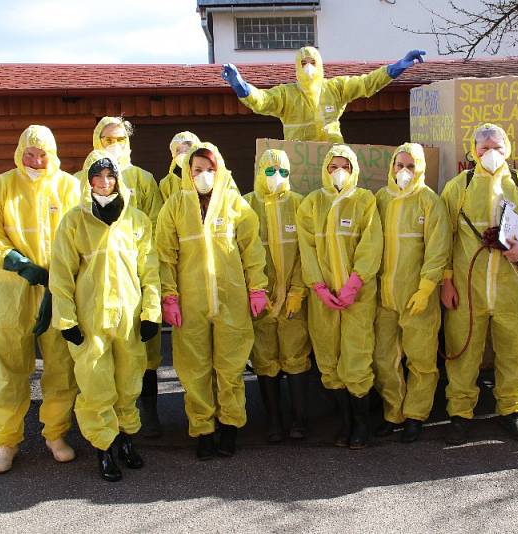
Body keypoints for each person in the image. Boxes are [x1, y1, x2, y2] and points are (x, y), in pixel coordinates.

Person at [49, 150, 160, 482]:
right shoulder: (74, 221)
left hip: (129, 317)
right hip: (91, 318)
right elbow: (61, 275)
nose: (104, 182)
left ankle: (126, 441)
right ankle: (104, 449)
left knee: (128, 383)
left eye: (110, 176)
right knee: (96, 386)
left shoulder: (136, 219)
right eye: (97, 176)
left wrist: (151, 312)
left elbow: (150, 271)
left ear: (118, 179)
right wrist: (67, 320)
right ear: (88, 180)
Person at [440, 123, 518, 444]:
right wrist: (446, 282)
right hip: (467, 290)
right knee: (462, 353)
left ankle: (511, 412)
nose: (490, 153)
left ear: (508, 149)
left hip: (513, 288)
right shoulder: (458, 186)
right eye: (484, 147)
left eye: (497, 147)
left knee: (513, 353)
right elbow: (442, 237)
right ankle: (460, 413)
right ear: (473, 150)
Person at [0, 125, 80, 474]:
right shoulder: (0, 187)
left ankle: (55, 434)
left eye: (42, 154)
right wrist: (19, 264)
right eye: (29, 154)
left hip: (58, 288)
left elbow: (80, 233)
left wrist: (60, 277)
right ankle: (7, 441)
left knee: (61, 366)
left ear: (53, 154)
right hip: (13, 291)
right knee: (11, 366)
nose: (36, 161)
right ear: (19, 152)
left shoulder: (68, 186)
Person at [156, 142, 269, 459]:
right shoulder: (175, 207)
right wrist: (169, 297)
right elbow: (165, 256)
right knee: (195, 371)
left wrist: (257, 288)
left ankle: (230, 427)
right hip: (191, 303)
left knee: (230, 369)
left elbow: (251, 250)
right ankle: (204, 430)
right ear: (187, 174)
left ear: (219, 171)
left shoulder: (234, 204)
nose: (203, 176)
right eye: (197, 170)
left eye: (209, 170)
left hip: (231, 299)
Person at [79, 116, 165, 437]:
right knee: (100, 355)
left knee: (144, 351)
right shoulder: (83, 179)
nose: (113, 145)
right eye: (106, 139)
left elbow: (153, 227)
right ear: (96, 139)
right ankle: (106, 424)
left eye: (118, 139)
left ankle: (149, 415)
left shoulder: (142, 179)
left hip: (133, 282)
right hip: (96, 286)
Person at [297, 144, 383, 449]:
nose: (338, 172)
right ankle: (345, 423)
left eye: (344, 166)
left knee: (357, 358)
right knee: (329, 360)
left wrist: (354, 283)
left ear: (354, 169)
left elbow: (371, 245)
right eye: (332, 167)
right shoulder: (311, 203)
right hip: (324, 299)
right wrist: (318, 286)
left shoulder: (364, 200)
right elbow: (306, 249)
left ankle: (362, 426)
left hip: (357, 297)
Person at [372, 143, 449, 443]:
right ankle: (394, 413)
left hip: (418, 296)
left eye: (410, 166)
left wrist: (427, 287)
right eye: (399, 165)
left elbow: (438, 248)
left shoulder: (430, 201)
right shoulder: (381, 199)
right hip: (384, 296)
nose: (404, 172)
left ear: (421, 169)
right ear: (391, 167)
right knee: (383, 358)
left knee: (421, 359)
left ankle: (416, 415)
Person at [243, 149, 312, 443]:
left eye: (283, 171)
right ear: (259, 171)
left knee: (295, 357)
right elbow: (242, 252)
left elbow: (306, 252)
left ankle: (299, 420)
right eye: (270, 171)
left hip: (292, 299)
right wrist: (254, 289)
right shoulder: (246, 205)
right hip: (260, 298)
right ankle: (273, 420)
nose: (277, 177)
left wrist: (298, 290)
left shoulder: (299, 205)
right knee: (265, 358)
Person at [221, 46, 425, 143]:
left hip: (334, 161)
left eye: (312, 62)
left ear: (320, 65)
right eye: (303, 63)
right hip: (301, 163)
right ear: (297, 68)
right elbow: (263, 101)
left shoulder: (335, 88)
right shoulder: (287, 95)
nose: (308, 67)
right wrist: (243, 87)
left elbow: (366, 83)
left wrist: (396, 68)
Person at [160, 131, 201, 202]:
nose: (182, 154)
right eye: (178, 151)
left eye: (187, 150)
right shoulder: (167, 183)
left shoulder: (207, 177)